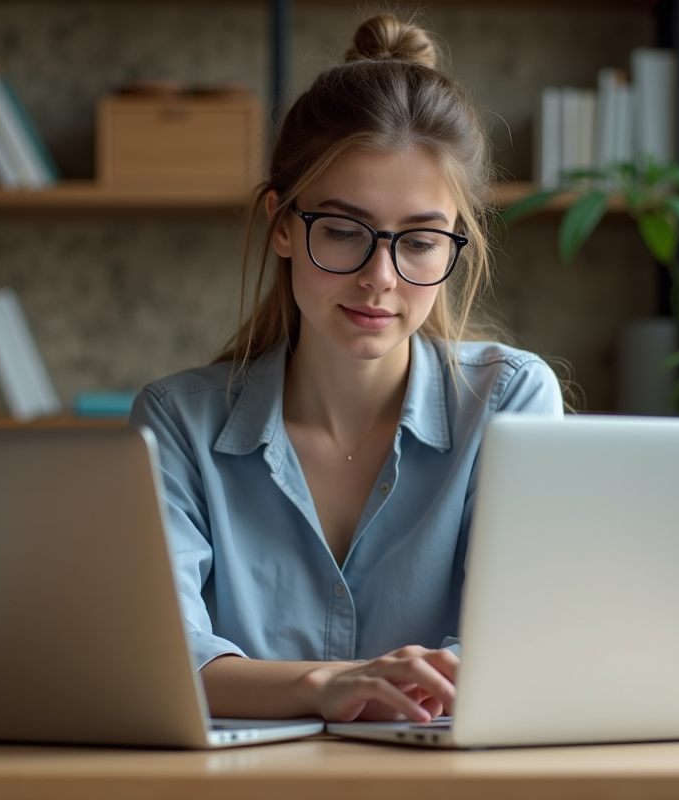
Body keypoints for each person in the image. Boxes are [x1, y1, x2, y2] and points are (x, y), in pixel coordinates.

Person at [129, 14, 564, 725]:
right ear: (281, 223)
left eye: (419, 241)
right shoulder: (177, 423)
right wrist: (327, 685)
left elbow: (521, 644)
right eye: (341, 230)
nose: (379, 278)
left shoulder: (511, 399)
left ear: (457, 242)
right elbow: (164, 658)